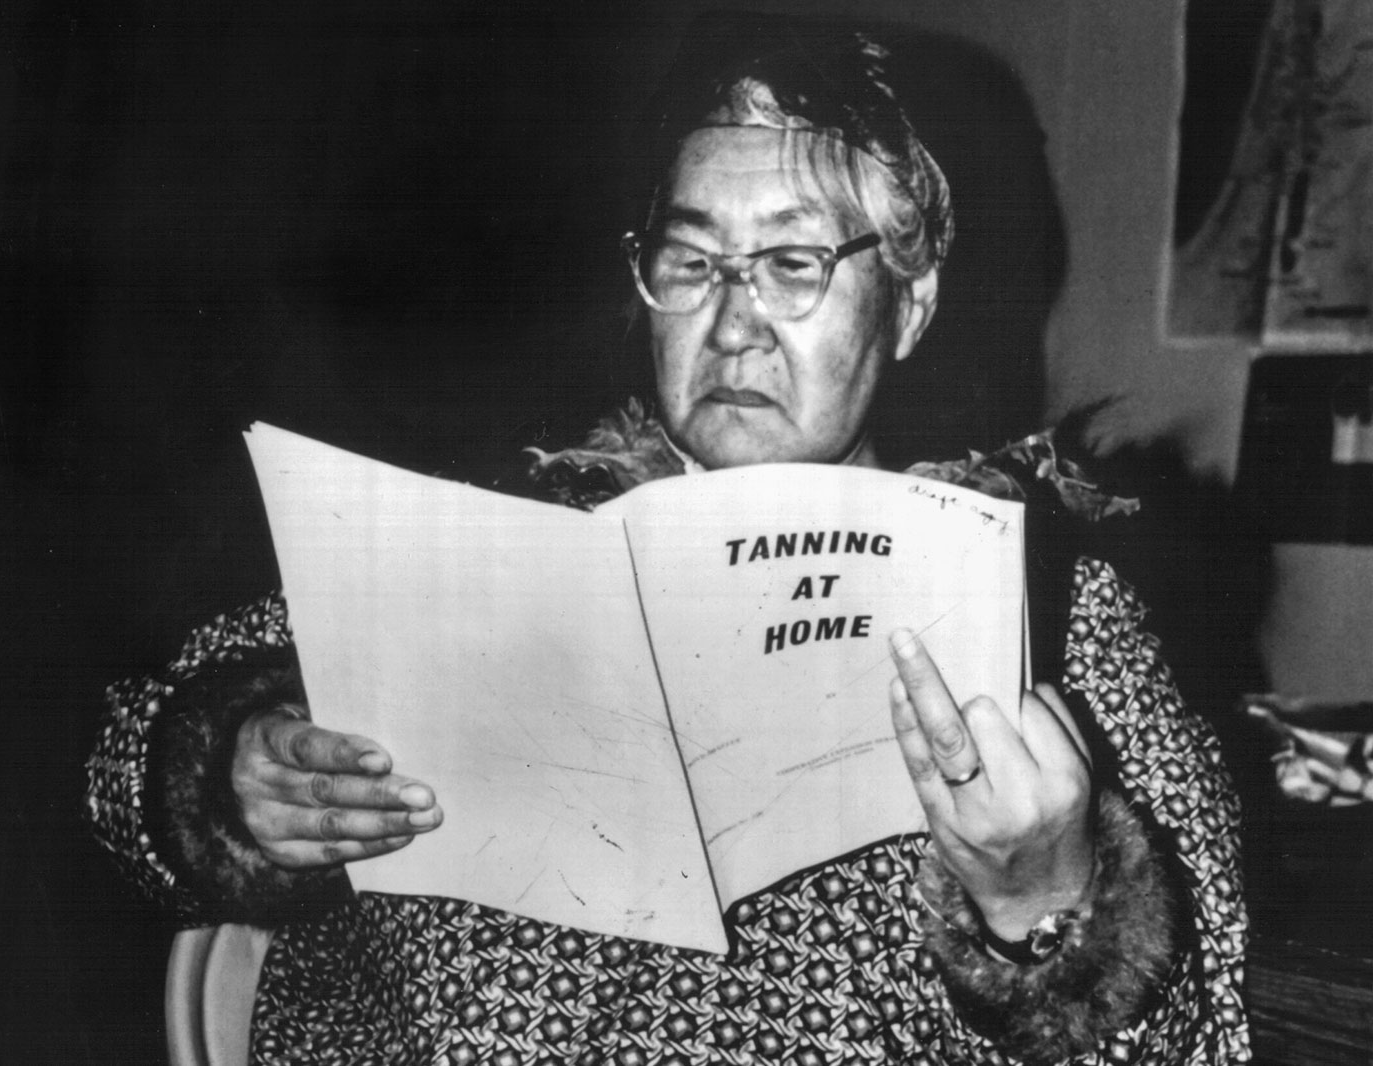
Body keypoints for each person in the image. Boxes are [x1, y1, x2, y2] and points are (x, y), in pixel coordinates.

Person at [85, 27, 1249, 1065]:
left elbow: (1203, 1038)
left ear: (908, 303)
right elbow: (125, 774)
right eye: (691, 263)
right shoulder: (482, 541)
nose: (732, 324)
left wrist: (1045, 902)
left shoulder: (1049, 613)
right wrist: (230, 771)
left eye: (791, 264)